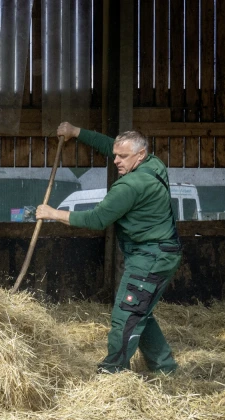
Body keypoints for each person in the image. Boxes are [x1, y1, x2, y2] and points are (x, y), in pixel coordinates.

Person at [36, 122, 181, 374]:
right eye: (116, 154)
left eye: (122, 157)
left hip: (150, 257)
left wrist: (52, 213)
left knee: (126, 314)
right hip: (162, 251)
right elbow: (111, 146)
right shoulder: (154, 165)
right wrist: (76, 132)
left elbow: (96, 219)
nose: (116, 160)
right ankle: (165, 369)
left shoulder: (130, 186)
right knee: (139, 311)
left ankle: (112, 371)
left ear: (140, 155)